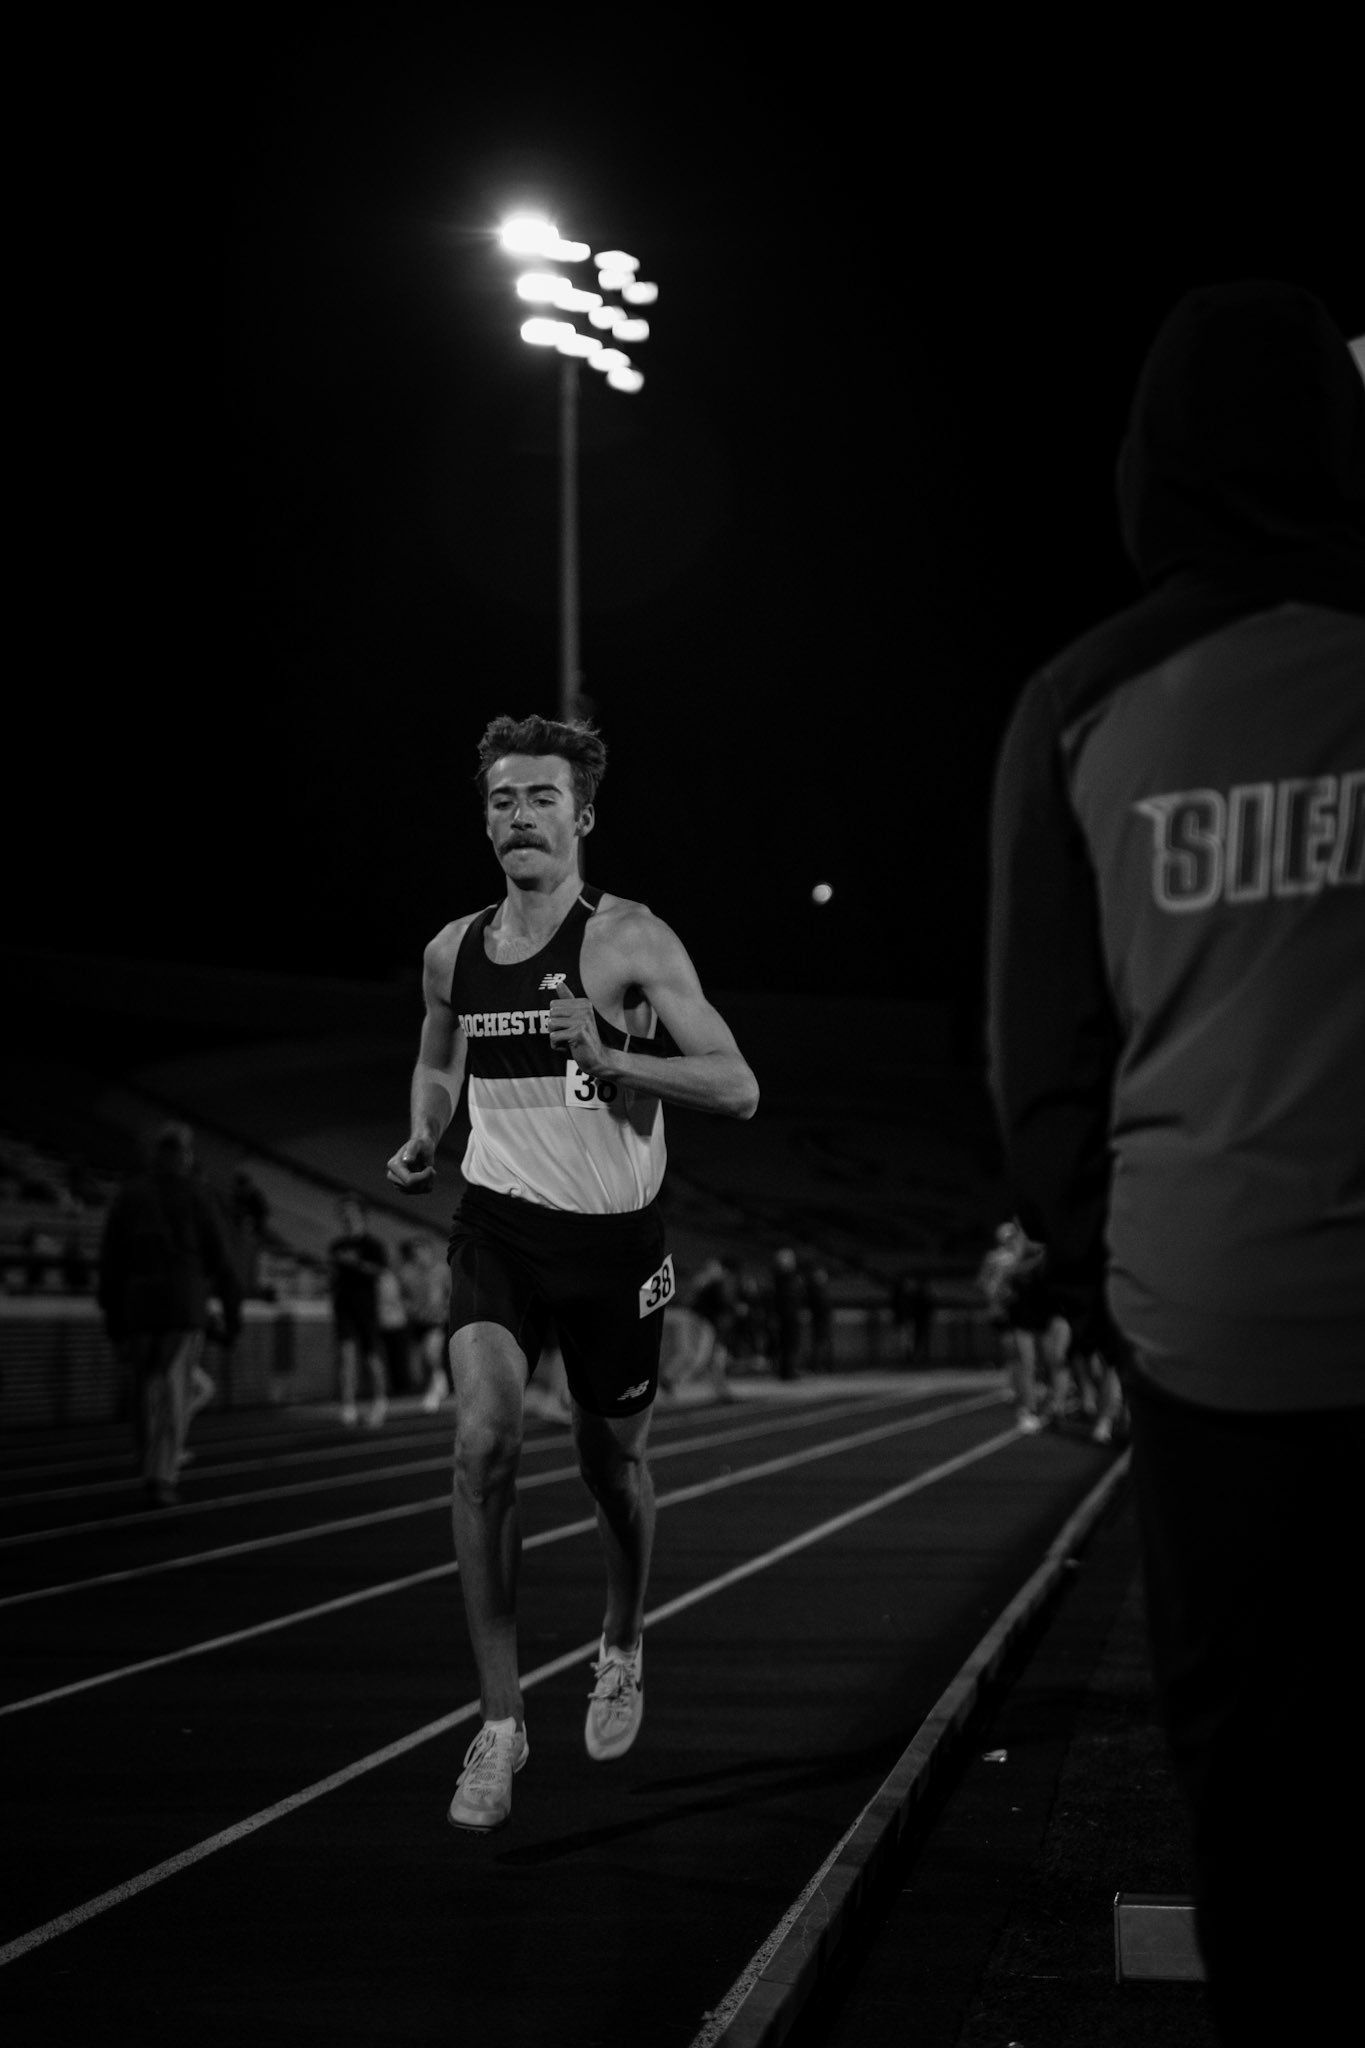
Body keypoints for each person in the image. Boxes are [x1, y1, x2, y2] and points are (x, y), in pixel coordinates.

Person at [987, 281, 1365, 2044]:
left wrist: (1100, 1285)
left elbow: (1044, 1064)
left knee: (1257, 1795)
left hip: (1211, 1329)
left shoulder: (1079, 702)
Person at [386, 712, 758, 1833]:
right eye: (502, 799)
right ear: (484, 820)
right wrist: (426, 1130)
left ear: (582, 815)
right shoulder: (450, 951)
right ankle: (499, 1723)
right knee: (481, 1443)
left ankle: (623, 1639)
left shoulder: (630, 939)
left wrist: (609, 1051)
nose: (520, 816)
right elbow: (436, 1054)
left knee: (611, 1467)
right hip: (498, 1227)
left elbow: (737, 1085)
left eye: (542, 796)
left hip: (614, 1245)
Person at [97, 1122, 242, 1505]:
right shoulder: (197, 1194)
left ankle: (145, 1458)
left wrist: (112, 1314)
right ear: (185, 1156)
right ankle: (161, 1473)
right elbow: (221, 1258)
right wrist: (231, 1315)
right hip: (183, 1304)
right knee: (175, 1389)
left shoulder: (131, 1195)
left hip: (139, 1305)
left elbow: (110, 1259)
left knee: (144, 1388)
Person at [327, 1195, 389, 1428]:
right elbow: (333, 1276)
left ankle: (380, 1401)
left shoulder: (373, 1245)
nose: (347, 1216)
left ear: (361, 1215)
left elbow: (379, 1271)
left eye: (351, 1211)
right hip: (344, 1308)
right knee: (347, 1356)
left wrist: (355, 1263)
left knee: (372, 1357)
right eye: (343, 1212)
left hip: (366, 1309)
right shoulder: (337, 1246)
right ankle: (348, 1404)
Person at [771, 1248, 805, 1380]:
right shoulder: (785, 1278)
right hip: (787, 1315)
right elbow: (786, 1298)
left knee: (789, 1344)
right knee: (788, 1344)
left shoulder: (785, 1278)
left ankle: (788, 1370)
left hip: (788, 1315)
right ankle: (788, 1371)